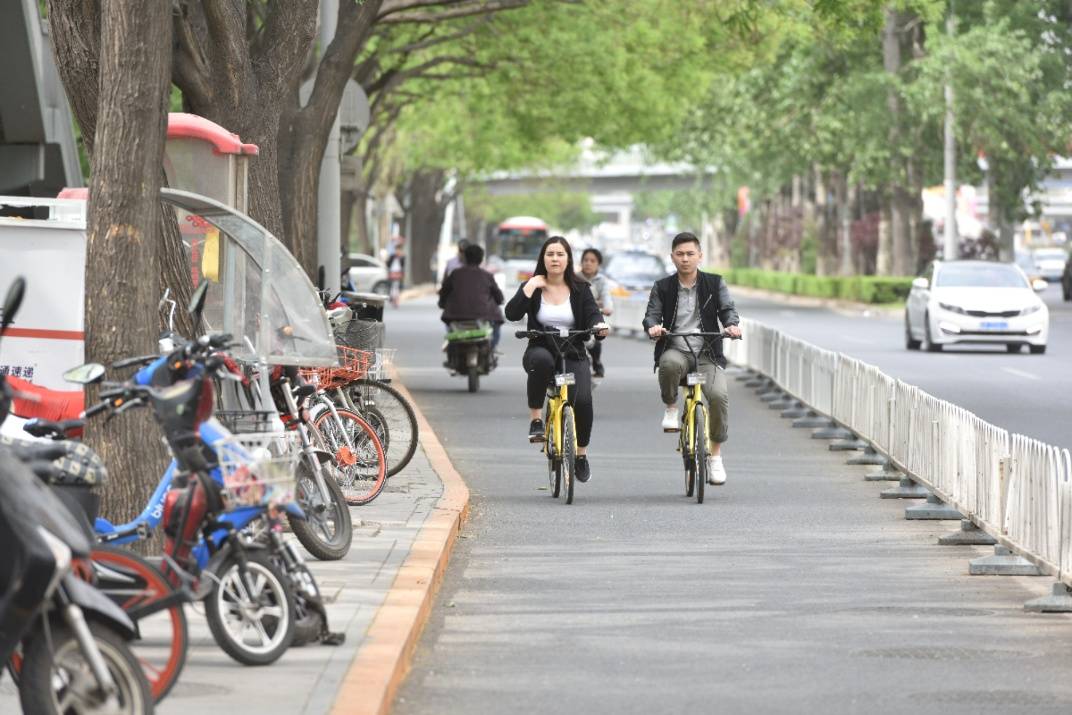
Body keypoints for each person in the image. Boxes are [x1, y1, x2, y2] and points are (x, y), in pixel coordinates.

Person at [505, 236, 608, 484]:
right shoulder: (533, 285)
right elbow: (512, 313)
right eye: (550, 254)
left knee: (582, 400)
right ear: (543, 258)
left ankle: (581, 455)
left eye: (560, 254)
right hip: (541, 346)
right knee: (540, 362)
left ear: (568, 259)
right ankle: (536, 420)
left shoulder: (581, 288)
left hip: (572, 351)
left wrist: (599, 325)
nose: (555, 259)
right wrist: (529, 287)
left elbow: (593, 314)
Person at [643, 232, 742, 486]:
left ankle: (716, 457)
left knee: (719, 397)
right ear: (672, 257)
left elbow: (727, 309)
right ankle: (671, 408)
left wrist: (731, 325)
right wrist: (653, 327)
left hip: (708, 353)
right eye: (680, 254)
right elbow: (651, 314)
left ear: (700, 256)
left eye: (690, 254)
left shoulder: (714, 283)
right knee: (667, 364)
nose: (685, 259)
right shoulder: (663, 286)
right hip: (677, 348)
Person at [438, 243, 504, 351]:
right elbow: (499, 297)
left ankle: (451, 347)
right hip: (483, 316)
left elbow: (444, 292)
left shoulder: (455, 274)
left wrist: (442, 303)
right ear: (481, 259)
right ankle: (492, 348)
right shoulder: (487, 276)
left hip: (455, 315)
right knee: (496, 323)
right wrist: (499, 300)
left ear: (464, 258)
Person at [579, 248, 614, 377]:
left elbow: (606, 297)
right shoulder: (575, 279)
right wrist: (596, 302)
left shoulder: (602, 281)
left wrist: (607, 307)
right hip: (576, 320)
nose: (588, 263)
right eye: (585, 260)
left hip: (593, 319)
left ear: (598, 264)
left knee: (595, 340)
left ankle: (596, 362)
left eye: (592, 261)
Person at [387, 243, 405, 308]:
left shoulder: (402, 257)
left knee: (397, 287)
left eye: (399, 250)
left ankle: (396, 301)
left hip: (398, 273)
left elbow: (403, 266)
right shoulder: (392, 256)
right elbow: (388, 264)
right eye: (397, 249)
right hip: (392, 273)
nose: (398, 251)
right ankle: (393, 299)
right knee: (392, 287)